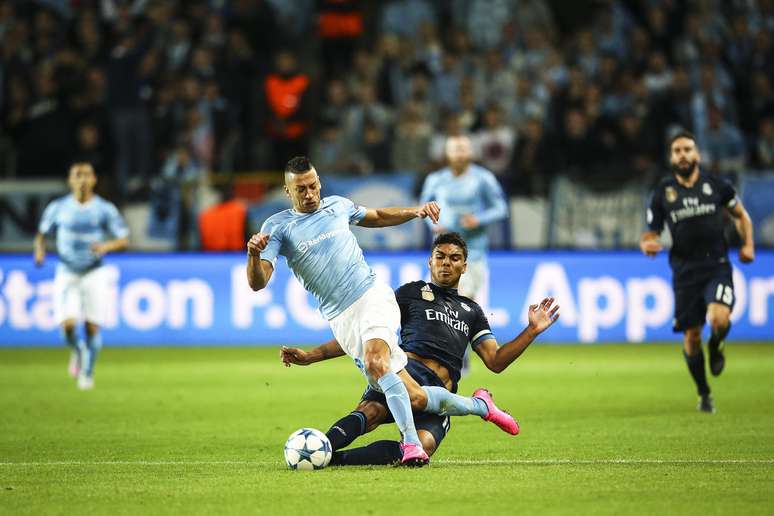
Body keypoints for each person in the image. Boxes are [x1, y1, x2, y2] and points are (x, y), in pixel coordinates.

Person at [247, 157, 514, 467]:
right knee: (414, 395)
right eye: (301, 189)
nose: (310, 194)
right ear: (287, 190)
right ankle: (480, 406)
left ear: (319, 182)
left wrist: (414, 212)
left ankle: (411, 445)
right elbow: (258, 282)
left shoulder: (337, 205)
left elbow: (375, 216)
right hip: (341, 318)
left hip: (371, 294)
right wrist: (253, 255)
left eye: (313, 186)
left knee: (377, 362)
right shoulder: (277, 226)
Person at [281, 232, 560, 465]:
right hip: (407, 371)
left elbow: (496, 361)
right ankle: (323, 446)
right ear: (430, 261)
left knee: (421, 449)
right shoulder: (410, 293)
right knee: (371, 412)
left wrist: (532, 331)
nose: (446, 263)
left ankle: (328, 458)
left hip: (442, 391)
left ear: (465, 266)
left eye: (454, 258)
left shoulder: (472, 312)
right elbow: (370, 334)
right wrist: (312, 355)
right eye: (440, 256)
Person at [640, 131, 755, 414]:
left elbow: (741, 216)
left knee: (718, 318)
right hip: (685, 272)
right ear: (671, 157)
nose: (682, 154)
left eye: (687, 149)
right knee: (691, 336)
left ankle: (716, 344)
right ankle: (704, 393)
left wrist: (748, 244)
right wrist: (649, 244)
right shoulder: (663, 193)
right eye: (677, 150)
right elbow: (649, 234)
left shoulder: (717, 186)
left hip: (717, 265)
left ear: (697, 155)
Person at [34, 162, 129, 390]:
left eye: (86, 175)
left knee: (92, 328)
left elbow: (123, 238)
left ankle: (87, 373)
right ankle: (77, 350)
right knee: (67, 326)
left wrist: (106, 247)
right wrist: (40, 250)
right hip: (67, 271)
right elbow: (41, 233)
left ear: (94, 179)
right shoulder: (58, 208)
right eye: (77, 175)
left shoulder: (104, 209)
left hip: (94, 272)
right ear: (70, 180)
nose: (82, 180)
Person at [419, 134, 508, 302]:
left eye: (463, 149)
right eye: (455, 150)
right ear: (447, 153)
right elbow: (422, 207)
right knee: (444, 301)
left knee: (463, 300)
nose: (459, 154)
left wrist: (479, 219)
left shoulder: (483, 178)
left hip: (472, 252)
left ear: (471, 152)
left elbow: (501, 208)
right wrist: (433, 224)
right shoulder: (436, 179)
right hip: (442, 250)